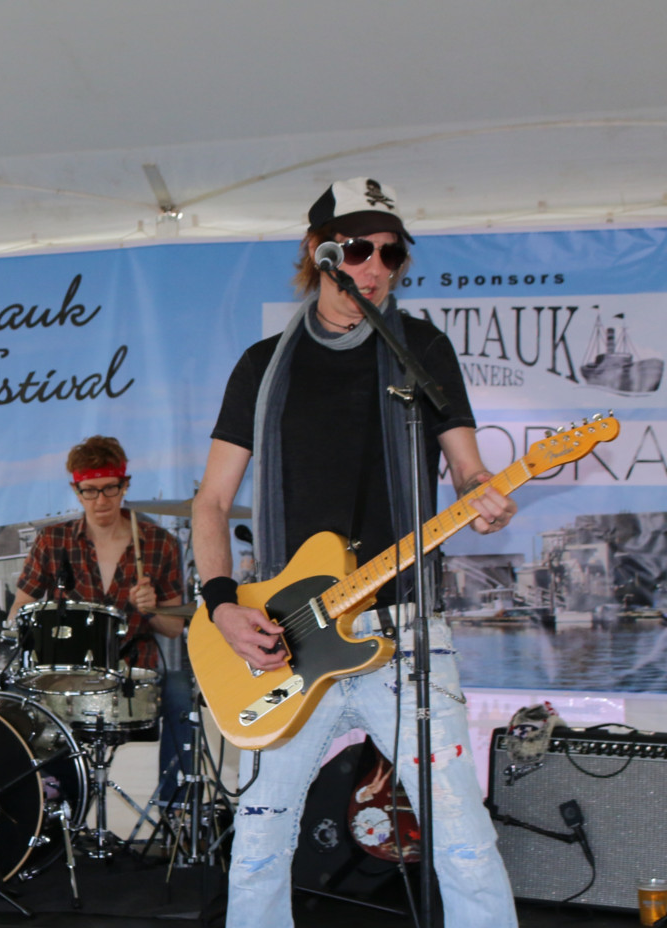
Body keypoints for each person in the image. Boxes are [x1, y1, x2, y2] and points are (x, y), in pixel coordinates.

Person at [191, 178, 518, 927]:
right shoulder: (262, 365)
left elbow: (468, 470)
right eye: (359, 249)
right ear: (318, 252)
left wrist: (484, 494)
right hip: (288, 638)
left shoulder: (421, 349)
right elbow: (211, 503)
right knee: (261, 840)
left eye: (392, 254)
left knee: (463, 841)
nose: (376, 267)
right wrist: (219, 606)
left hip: (403, 634)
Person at [11, 436, 185, 748]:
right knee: (13, 704)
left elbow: (173, 629)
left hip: (134, 674)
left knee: (182, 693)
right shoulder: (52, 541)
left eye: (110, 488)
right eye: (90, 491)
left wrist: (152, 609)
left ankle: (173, 796)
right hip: (66, 680)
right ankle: (48, 789)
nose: (101, 500)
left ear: (125, 485)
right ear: (76, 491)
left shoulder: (160, 542)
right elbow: (18, 611)